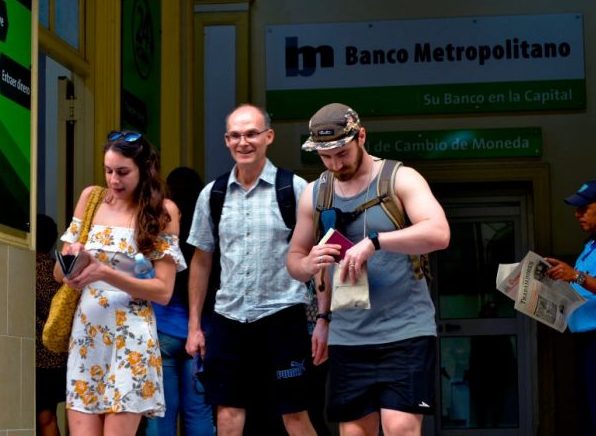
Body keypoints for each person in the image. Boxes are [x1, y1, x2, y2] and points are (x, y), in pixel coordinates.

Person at [286, 103, 450, 436]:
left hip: (404, 330)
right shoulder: (316, 193)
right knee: (354, 432)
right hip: (348, 333)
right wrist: (311, 270)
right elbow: (295, 260)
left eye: (342, 153)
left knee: (399, 426)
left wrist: (376, 242)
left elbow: (439, 233)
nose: (335, 164)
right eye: (326, 157)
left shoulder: (399, 178)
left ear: (361, 136)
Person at [185, 104, 319, 436]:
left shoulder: (295, 188)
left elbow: (318, 258)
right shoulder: (212, 195)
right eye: (235, 135)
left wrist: (324, 320)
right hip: (229, 319)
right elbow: (202, 261)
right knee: (228, 413)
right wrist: (194, 326)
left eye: (251, 134)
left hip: (283, 314)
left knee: (295, 414)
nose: (243, 142)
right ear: (226, 140)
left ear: (268, 137)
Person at [54, 130, 186, 436]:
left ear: (144, 169)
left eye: (123, 172)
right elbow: (59, 274)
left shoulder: (163, 211)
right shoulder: (90, 199)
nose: (114, 180)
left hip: (131, 338)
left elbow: (164, 291)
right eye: (109, 171)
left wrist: (104, 272)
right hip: (87, 335)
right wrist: (74, 260)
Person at [545, 180, 596, 436]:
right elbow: (582, 286)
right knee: (587, 412)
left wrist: (574, 275)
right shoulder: (590, 245)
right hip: (584, 340)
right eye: (577, 209)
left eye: (585, 208)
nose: (578, 214)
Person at [146, 167, 215, 436]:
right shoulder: (207, 233)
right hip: (200, 334)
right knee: (199, 413)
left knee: (160, 415)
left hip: (161, 331)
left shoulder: (159, 228)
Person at [35, 214, 69, 436]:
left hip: (36, 357)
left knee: (42, 416)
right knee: (48, 417)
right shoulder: (55, 272)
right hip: (55, 357)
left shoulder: (28, 269)